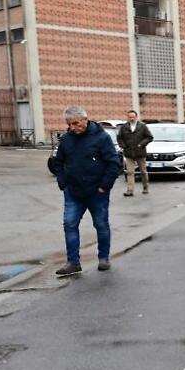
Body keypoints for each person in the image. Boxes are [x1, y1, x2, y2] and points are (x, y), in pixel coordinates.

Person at [53, 106, 122, 276]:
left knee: (101, 224)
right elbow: (57, 162)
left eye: (75, 123)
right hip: (73, 191)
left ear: (85, 119)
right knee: (69, 224)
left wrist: (104, 186)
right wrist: (63, 183)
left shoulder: (101, 138)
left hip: (97, 192)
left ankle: (104, 258)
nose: (72, 127)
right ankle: (73, 262)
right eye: (69, 124)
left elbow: (113, 164)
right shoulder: (67, 140)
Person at [117, 109, 153, 196]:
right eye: (130, 117)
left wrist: (141, 144)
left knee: (143, 171)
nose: (132, 119)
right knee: (130, 172)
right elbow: (119, 138)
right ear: (128, 118)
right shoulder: (124, 127)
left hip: (140, 152)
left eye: (133, 117)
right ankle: (130, 190)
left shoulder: (142, 126)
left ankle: (145, 187)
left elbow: (149, 137)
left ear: (136, 117)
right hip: (129, 153)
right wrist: (123, 146)